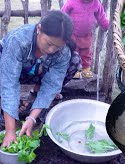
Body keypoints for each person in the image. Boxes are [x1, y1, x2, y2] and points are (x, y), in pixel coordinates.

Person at [0, 10, 81, 147]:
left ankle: (34, 101)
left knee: (74, 61)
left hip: (36, 72)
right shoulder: (19, 40)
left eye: (57, 46)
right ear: (39, 29)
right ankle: (7, 112)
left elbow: (51, 85)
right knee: (7, 97)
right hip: (10, 69)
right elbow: (9, 83)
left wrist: (32, 118)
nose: (51, 50)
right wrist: (10, 130)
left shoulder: (63, 51)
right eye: (49, 43)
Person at [61, 0, 109, 79]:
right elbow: (63, 14)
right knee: (73, 51)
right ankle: (74, 70)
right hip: (72, 33)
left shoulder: (95, 4)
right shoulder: (72, 1)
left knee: (86, 52)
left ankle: (85, 68)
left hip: (86, 34)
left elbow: (101, 16)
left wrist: (106, 26)